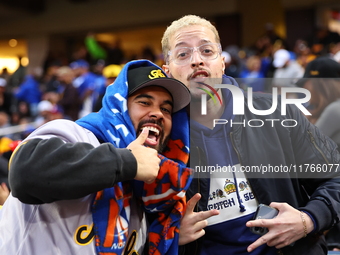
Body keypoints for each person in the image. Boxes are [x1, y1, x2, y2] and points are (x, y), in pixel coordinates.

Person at [161, 14, 340, 255]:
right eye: (183, 54)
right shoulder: (161, 139)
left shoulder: (278, 113)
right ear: (167, 71)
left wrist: (308, 219)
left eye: (206, 51)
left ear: (222, 62)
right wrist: (168, 234)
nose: (196, 61)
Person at [0, 59, 192, 255]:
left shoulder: (143, 196)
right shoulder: (76, 135)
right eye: (144, 102)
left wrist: (170, 237)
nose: (158, 114)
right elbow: (24, 172)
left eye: (166, 109)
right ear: (119, 106)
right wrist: (127, 161)